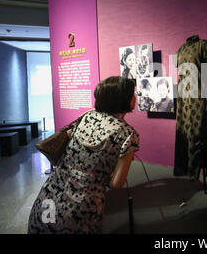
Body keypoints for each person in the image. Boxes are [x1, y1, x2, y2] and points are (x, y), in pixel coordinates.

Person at [28, 76, 139, 234]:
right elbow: (116, 184)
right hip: (81, 209)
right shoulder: (128, 134)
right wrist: (96, 174)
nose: (135, 97)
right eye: (132, 94)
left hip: (48, 197)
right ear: (122, 99)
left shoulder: (86, 117)